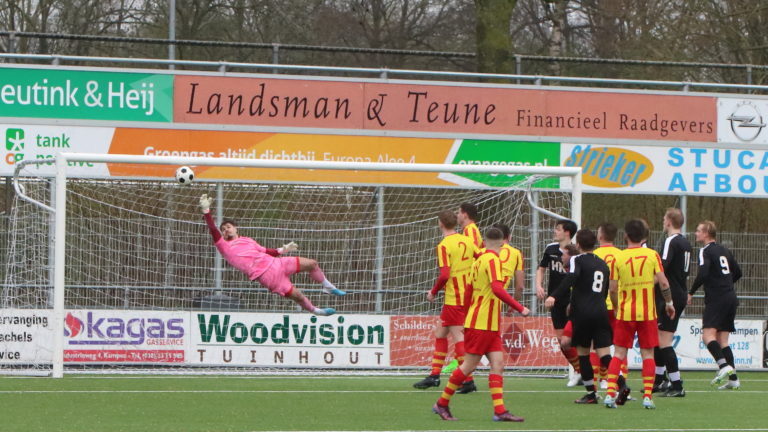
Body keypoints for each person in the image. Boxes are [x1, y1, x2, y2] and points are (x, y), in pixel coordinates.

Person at [432, 227, 530, 422]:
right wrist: (520, 307)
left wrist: (465, 316)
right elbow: (496, 288)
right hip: (482, 323)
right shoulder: (493, 260)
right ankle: (442, 404)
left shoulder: (478, 261)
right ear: (503, 244)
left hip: (489, 323)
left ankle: (500, 411)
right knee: (468, 366)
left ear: (484, 242)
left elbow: (468, 291)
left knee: (498, 365)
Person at [198, 194, 344, 316]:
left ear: (236, 228)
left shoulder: (248, 240)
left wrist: (282, 250)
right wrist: (206, 211)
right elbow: (213, 230)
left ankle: (327, 287)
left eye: (228, 227)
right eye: (223, 229)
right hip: (267, 276)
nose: (226, 230)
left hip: (277, 263)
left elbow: (265, 251)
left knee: (312, 263)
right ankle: (316, 311)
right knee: (298, 296)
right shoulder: (224, 246)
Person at [604, 219, 675, 410]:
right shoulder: (652, 255)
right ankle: (648, 397)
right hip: (647, 313)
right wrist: (669, 303)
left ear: (625, 235)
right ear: (644, 235)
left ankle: (610, 394)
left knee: (618, 353)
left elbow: (612, 289)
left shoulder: (618, 258)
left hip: (625, 313)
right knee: (648, 354)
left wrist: (617, 306)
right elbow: (664, 283)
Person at [545, 229, 613, 405]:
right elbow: (605, 290)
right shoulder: (603, 264)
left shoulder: (576, 259)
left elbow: (571, 278)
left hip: (583, 314)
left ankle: (591, 394)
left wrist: (554, 296)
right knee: (604, 354)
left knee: (583, 354)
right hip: (601, 311)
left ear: (579, 245)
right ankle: (620, 384)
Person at [414, 210, 476, 390]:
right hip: (467, 293)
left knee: (458, 337)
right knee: (440, 333)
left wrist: (433, 291)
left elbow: (445, 275)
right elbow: (480, 258)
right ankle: (434, 375)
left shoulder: (444, 245)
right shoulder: (467, 240)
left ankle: (468, 379)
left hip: (454, 297)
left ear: (440, 223)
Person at [689, 220, 742, 390]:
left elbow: (703, 273)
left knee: (707, 336)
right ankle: (733, 379)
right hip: (730, 296)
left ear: (706, 233)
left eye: (698, 231)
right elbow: (738, 272)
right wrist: (725, 283)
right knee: (722, 340)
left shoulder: (705, 251)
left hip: (718, 298)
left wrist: (690, 292)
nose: (696, 233)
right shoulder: (724, 250)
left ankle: (723, 366)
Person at [536, 219, 580, 386]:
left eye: (558, 229)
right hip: (554, 301)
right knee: (562, 340)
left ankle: (595, 374)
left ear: (567, 232)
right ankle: (578, 370)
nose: (555, 231)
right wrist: (538, 285)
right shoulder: (551, 248)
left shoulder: (576, 251)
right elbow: (541, 269)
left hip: (572, 300)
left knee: (578, 339)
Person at [653, 208, 692, 397]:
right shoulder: (685, 242)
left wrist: (644, 283)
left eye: (664, 218)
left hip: (670, 294)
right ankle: (659, 381)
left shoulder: (671, 241)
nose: (662, 221)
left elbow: (662, 267)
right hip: (680, 292)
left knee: (664, 341)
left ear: (669, 221)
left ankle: (677, 385)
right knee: (660, 338)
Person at [593, 223, 624, 388]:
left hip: (598, 305)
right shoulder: (621, 255)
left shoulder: (594, 254)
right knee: (619, 346)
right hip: (617, 306)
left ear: (600, 236)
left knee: (595, 345)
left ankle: (594, 382)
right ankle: (614, 381)